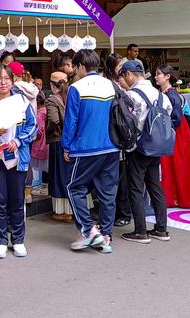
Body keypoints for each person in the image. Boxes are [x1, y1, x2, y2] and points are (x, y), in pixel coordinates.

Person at [63, 50, 120, 254]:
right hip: (112, 146)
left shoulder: (76, 88)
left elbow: (71, 121)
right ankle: (105, 236)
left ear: (80, 66)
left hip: (86, 147)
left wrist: (66, 146)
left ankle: (88, 230)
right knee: (107, 192)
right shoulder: (112, 85)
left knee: (73, 186)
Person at [0, 64, 38, 259]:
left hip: (17, 158)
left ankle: (18, 240)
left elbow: (33, 126)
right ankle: (1, 241)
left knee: (17, 200)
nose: (3, 82)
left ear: (13, 81)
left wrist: (18, 141)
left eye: (7, 78)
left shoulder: (21, 101)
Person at [118, 60, 173, 244]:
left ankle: (140, 231)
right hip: (156, 147)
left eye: (124, 76)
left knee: (135, 188)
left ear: (128, 74)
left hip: (138, 148)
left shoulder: (131, 95)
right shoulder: (161, 95)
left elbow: (126, 122)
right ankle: (161, 229)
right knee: (155, 186)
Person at [104, 53, 133, 228]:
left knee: (120, 178)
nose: (123, 69)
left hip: (118, 137)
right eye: (119, 65)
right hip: (112, 136)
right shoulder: (111, 85)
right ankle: (116, 212)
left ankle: (123, 212)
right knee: (113, 178)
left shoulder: (121, 85)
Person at [156, 65, 190, 208]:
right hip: (176, 133)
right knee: (173, 165)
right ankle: (174, 197)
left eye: (158, 74)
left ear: (167, 76)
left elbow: (176, 117)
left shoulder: (171, 95)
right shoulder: (167, 93)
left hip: (177, 134)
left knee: (177, 165)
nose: (156, 76)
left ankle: (176, 197)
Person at [46, 71, 73, 222]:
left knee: (58, 175)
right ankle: (73, 209)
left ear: (52, 85)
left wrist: (49, 130)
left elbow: (54, 120)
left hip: (58, 141)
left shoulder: (52, 100)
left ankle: (63, 212)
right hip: (72, 141)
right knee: (70, 175)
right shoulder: (71, 97)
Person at [29, 92, 48, 200]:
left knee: (44, 167)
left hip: (41, 143)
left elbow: (38, 131)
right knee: (48, 167)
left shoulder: (39, 115)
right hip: (48, 143)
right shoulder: (47, 111)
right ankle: (46, 186)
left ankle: (44, 187)